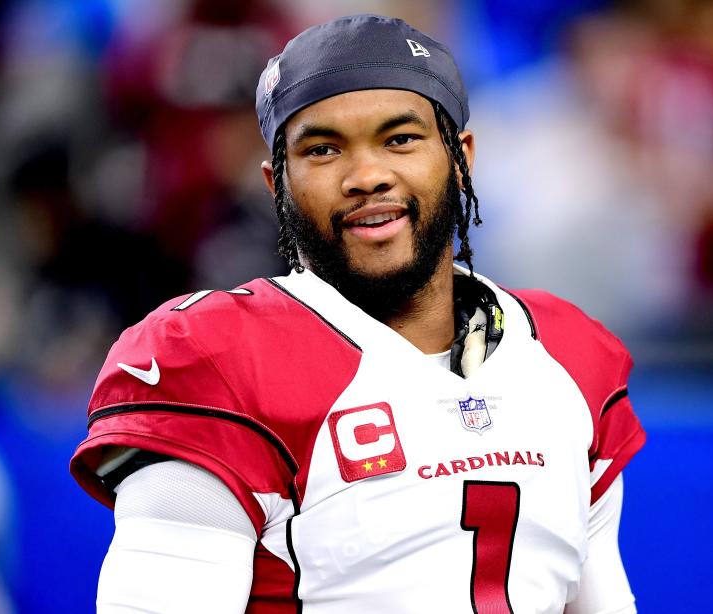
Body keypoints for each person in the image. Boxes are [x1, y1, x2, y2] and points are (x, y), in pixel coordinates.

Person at [70, 14, 646, 614]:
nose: (367, 177)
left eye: (400, 139)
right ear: (277, 183)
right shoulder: (215, 360)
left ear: (462, 158)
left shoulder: (567, 355)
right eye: (323, 150)